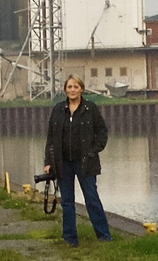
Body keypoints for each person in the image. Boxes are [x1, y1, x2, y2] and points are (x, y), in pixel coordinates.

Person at [43, 75, 111, 245]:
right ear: (65, 90)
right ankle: (70, 239)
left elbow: (102, 133)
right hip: (63, 163)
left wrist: (93, 152)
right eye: (69, 87)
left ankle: (104, 236)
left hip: (85, 162)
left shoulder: (90, 109)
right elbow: (51, 138)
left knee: (92, 199)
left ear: (82, 89)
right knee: (67, 202)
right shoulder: (58, 110)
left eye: (76, 87)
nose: (72, 90)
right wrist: (48, 162)